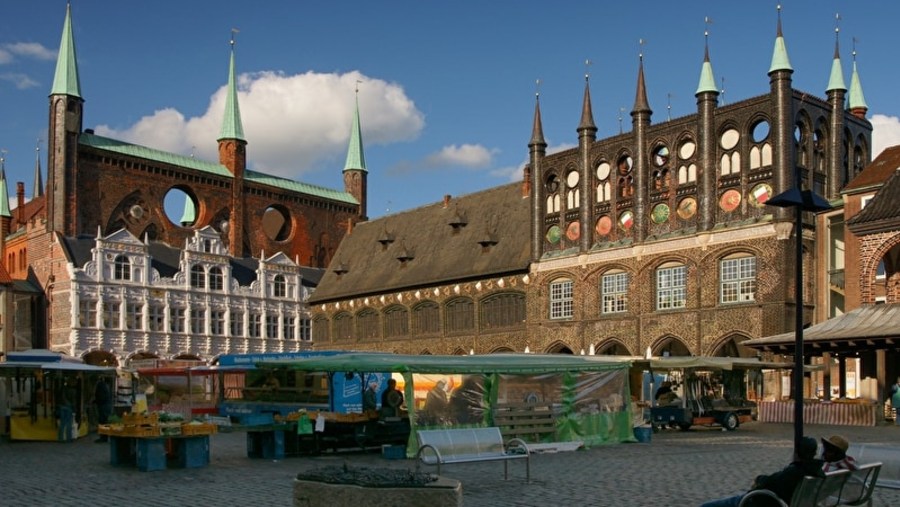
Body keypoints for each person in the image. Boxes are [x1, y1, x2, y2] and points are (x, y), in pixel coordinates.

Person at [700, 436, 824, 507]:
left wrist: (759, 479)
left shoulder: (795, 471)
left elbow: (770, 482)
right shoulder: (815, 471)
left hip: (758, 501)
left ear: (797, 452)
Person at [93, 378, 113, 443]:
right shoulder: (106, 386)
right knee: (105, 421)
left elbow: (100, 396)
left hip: (103, 406)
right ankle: (105, 437)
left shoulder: (100, 385)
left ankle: (103, 437)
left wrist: (96, 401)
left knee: (103, 421)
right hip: (107, 405)